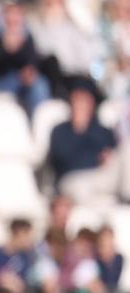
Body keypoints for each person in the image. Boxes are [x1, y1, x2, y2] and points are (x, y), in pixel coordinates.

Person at [0, 0, 52, 115]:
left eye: (17, 12)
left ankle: (38, 125)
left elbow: (33, 59)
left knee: (39, 85)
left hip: (16, 79)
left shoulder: (26, 33)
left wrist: (29, 70)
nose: (13, 16)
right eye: (10, 12)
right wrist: (5, 49)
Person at [48, 78, 119, 206]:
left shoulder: (103, 131)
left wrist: (108, 160)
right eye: (77, 99)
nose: (81, 104)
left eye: (85, 100)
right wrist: (79, 128)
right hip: (71, 181)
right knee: (83, 192)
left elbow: (111, 158)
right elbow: (61, 159)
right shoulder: (60, 131)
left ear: (92, 103)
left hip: (99, 181)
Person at [29, 0, 101, 86]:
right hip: (51, 76)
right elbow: (41, 50)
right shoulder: (35, 23)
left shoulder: (73, 23)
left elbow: (87, 55)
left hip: (75, 75)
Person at [0, 218, 37, 293]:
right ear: (19, 233)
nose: (30, 240)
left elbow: (23, 284)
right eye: (27, 235)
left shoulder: (25, 257)